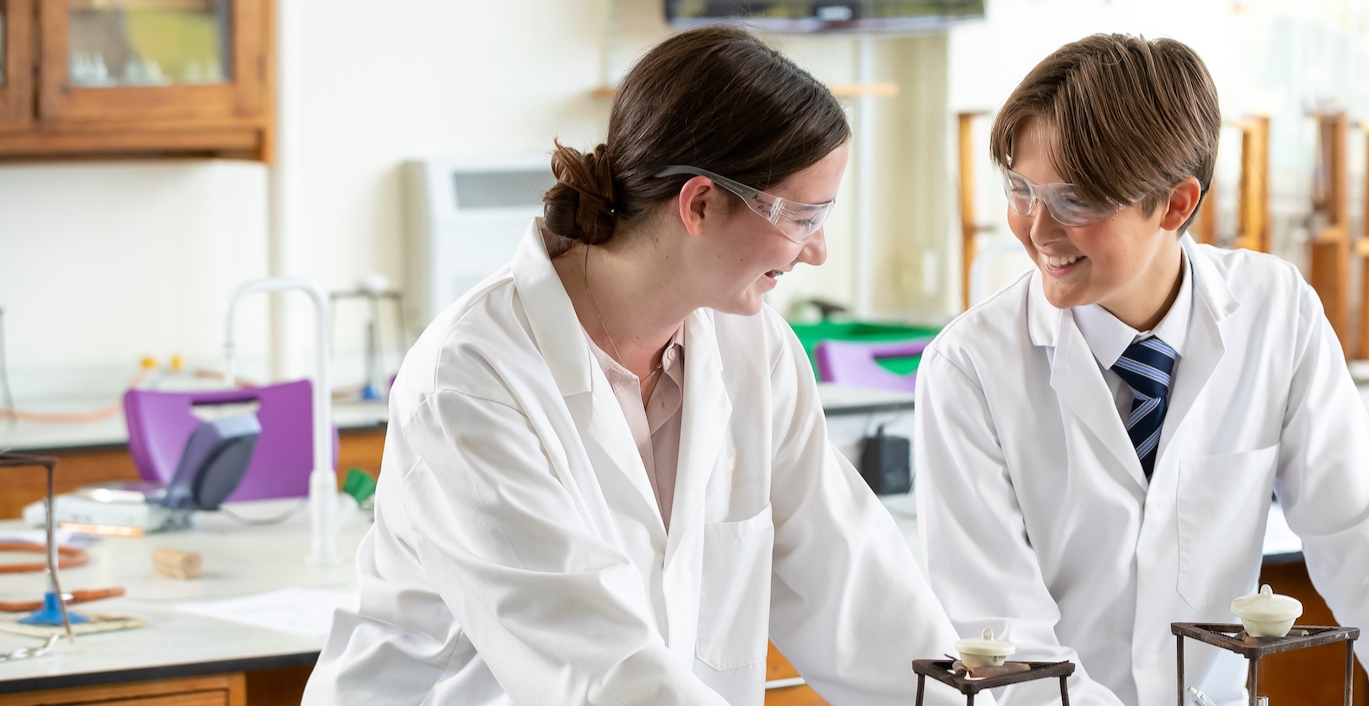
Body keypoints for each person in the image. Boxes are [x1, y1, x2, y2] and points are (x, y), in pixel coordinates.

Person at [305, 25, 967, 706]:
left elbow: (852, 584)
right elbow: (593, 665)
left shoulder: (755, 350)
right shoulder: (471, 378)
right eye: (804, 217)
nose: (818, 251)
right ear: (701, 204)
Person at [914, 34, 1369, 706]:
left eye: (1074, 201)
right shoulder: (968, 369)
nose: (1036, 228)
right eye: (1020, 190)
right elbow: (1009, 651)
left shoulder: (1278, 313)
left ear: (1177, 203)